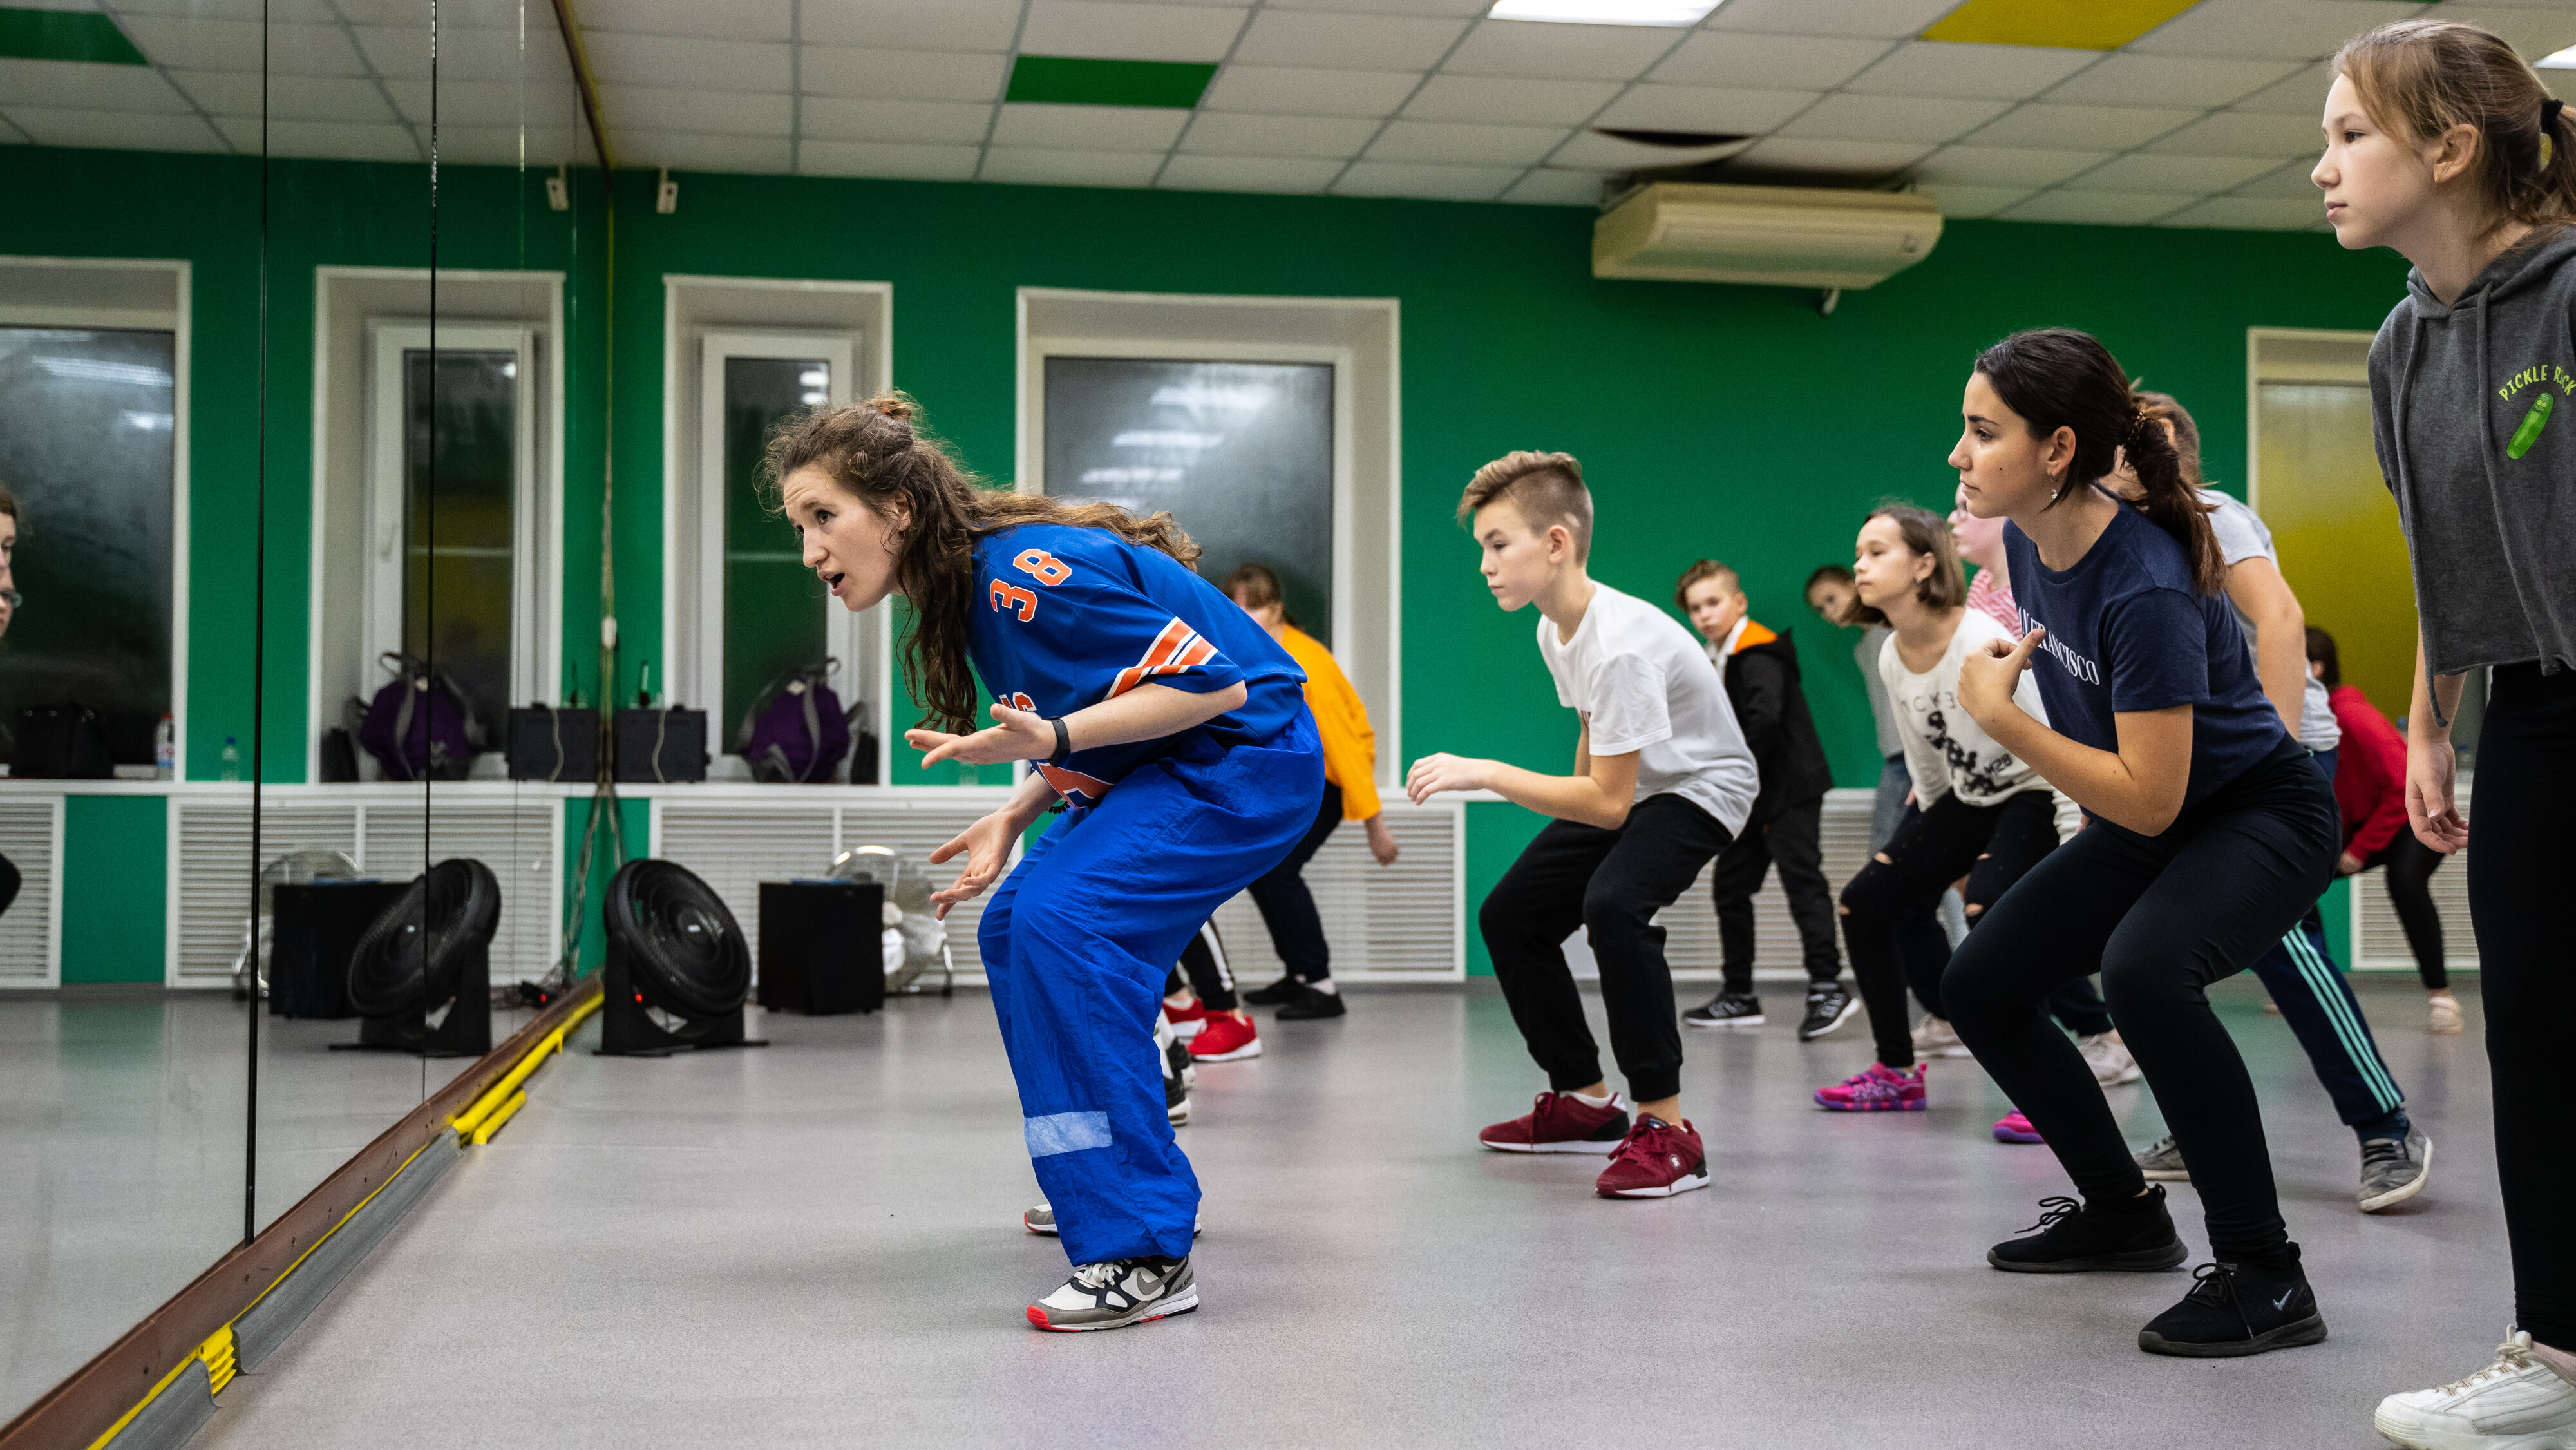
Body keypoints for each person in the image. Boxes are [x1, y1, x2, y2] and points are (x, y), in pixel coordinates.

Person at [767, 394, 1322, 1331]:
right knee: (1015, 925)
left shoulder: (1026, 570)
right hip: (1168, 764)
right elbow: (1096, 707)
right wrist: (1018, 807)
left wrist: (1051, 740)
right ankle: (1095, 1183)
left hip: (1247, 759)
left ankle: (1143, 1246)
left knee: (1065, 921)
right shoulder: (972, 589)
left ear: (898, 507)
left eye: (825, 516)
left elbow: (1213, 682)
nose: (812, 549)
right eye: (799, 526)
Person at [1939, 327, 2340, 1358]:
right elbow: (2124, 772)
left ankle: (2267, 1273)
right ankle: (2124, 1211)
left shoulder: (2147, 580)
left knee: (2148, 974)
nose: (1959, 454)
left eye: (1983, 432)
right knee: (1983, 981)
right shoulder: (2030, 540)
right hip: (2150, 814)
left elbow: (2155, 799)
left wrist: (2005, 718)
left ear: (2058, 448)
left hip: (2258, 812)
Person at [2318, 20, 2576, 1436]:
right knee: (2532, 1025)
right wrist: (2426, 725)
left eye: (2348, 134)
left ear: (2448, 147)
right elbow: (2448, 557)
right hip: (2533, 704)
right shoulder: (2395, 350)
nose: (2322, 167)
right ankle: (2556, 1360)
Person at [2107, 394, 2429, 1216]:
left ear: (2183, 455)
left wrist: (2275, 759)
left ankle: (2385, 1125)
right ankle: (2197, 1120)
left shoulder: (2214, 514)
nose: (2140, 451)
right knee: (2168, 948)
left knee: (2285, 941)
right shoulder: (2110, 536)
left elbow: (2281, 620)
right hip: (2190, 768)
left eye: (2158, 438)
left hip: (2277, 756)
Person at [1406, 450, 1756, 1199]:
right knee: (1511, 915)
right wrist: (1566, 794)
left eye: (1499, 544)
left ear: (1556, 543)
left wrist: (1487, 772)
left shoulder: (1620, 644)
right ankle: (1587, 1102)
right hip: (1639, 786)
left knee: (1613, 905)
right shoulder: (1554, 630)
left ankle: (1668, 1128)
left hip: (1703, 786)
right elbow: (1596, 768)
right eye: (1483, 549)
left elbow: (1608, 805)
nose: (1486, 565)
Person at [1815, 504, 2088, 1122]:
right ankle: (1896, 1070)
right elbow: (1928, 766)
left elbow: (2055, 743)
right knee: (1866, 902)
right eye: (1859, 552)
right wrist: (1933, 852)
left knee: (1990, 912)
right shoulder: (1890, 655)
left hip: (2033, 793)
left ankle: (2049, 1092)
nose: (1860, 564)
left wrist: (2073, 841)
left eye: (1878, 551)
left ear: (1925, 565)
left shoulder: (1976, 642)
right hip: (1966, 801)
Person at [1932, 493, 2136, 1121]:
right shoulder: (1981, 590)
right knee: (2000, 927)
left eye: (1966, 508)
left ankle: (2098, 1038)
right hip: (2002, 773)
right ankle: (2075, 1046)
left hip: (2051, 773)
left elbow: (2047, 696)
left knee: (2027, 919)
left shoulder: (2044, 578)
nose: (1955, 520)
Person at [1209, 562, 1401, 1036]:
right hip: (1298, 779)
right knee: (1266, 870)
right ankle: (1299, 975)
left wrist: (1375, 823)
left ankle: (1321, 985)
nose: (1243, 614)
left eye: (1254, 605)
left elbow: (1345, 746)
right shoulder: (1263, 650)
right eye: (1235, 603)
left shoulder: (1304, 659)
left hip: (1332, 780)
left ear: (1276, 609)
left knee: (1277, 870)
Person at [1674, 561, 1851, 1038]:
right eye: (1696, 608)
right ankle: (1739, 994)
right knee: (1730, 888)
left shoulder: (1757, 652)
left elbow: (1765, 720)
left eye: (1713, 602)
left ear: (1739, 602)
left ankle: (1827, 987)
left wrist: (1735, 778)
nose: (1705, 615)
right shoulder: (1723, 655)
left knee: (1802, 885)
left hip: (1787, 791)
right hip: (1753, 796)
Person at [2307, 625, 2458, 1033]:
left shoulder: (2351, 714)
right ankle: (2312, 987)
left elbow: (2399, 787)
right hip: (2373, 822)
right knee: (2297, 880)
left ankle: (2442, 998)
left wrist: (2359, 850)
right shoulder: (2309, 721)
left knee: (2406, 882)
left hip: (2414, 818)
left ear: (2315, 670)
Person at [1804, 565, 1909, 854]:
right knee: (1911, 848)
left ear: (1853, 586)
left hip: (1913, 751)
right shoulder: (1863, 649)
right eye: (1821, 609)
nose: (1828, 612)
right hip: (1895, 752)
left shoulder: (1894, 627)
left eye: (1831, 599)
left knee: (1885, 847)